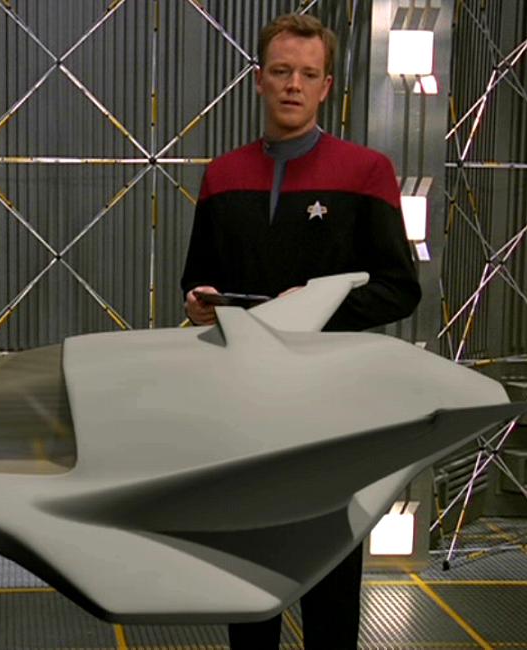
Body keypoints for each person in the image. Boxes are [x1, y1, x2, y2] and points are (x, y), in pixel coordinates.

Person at [180, 13, 421, 649]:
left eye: (308, 74)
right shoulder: (221, 175)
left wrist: (311, 308)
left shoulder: (367, 171)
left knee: (330, 583)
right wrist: (199, 303)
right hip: (243, 410)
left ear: (326, 87)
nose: (293, 84)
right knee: (248, 584)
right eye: (282, 71)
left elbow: (400, 288)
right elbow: (199, 278)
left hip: (329, 413)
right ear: (259, 80)